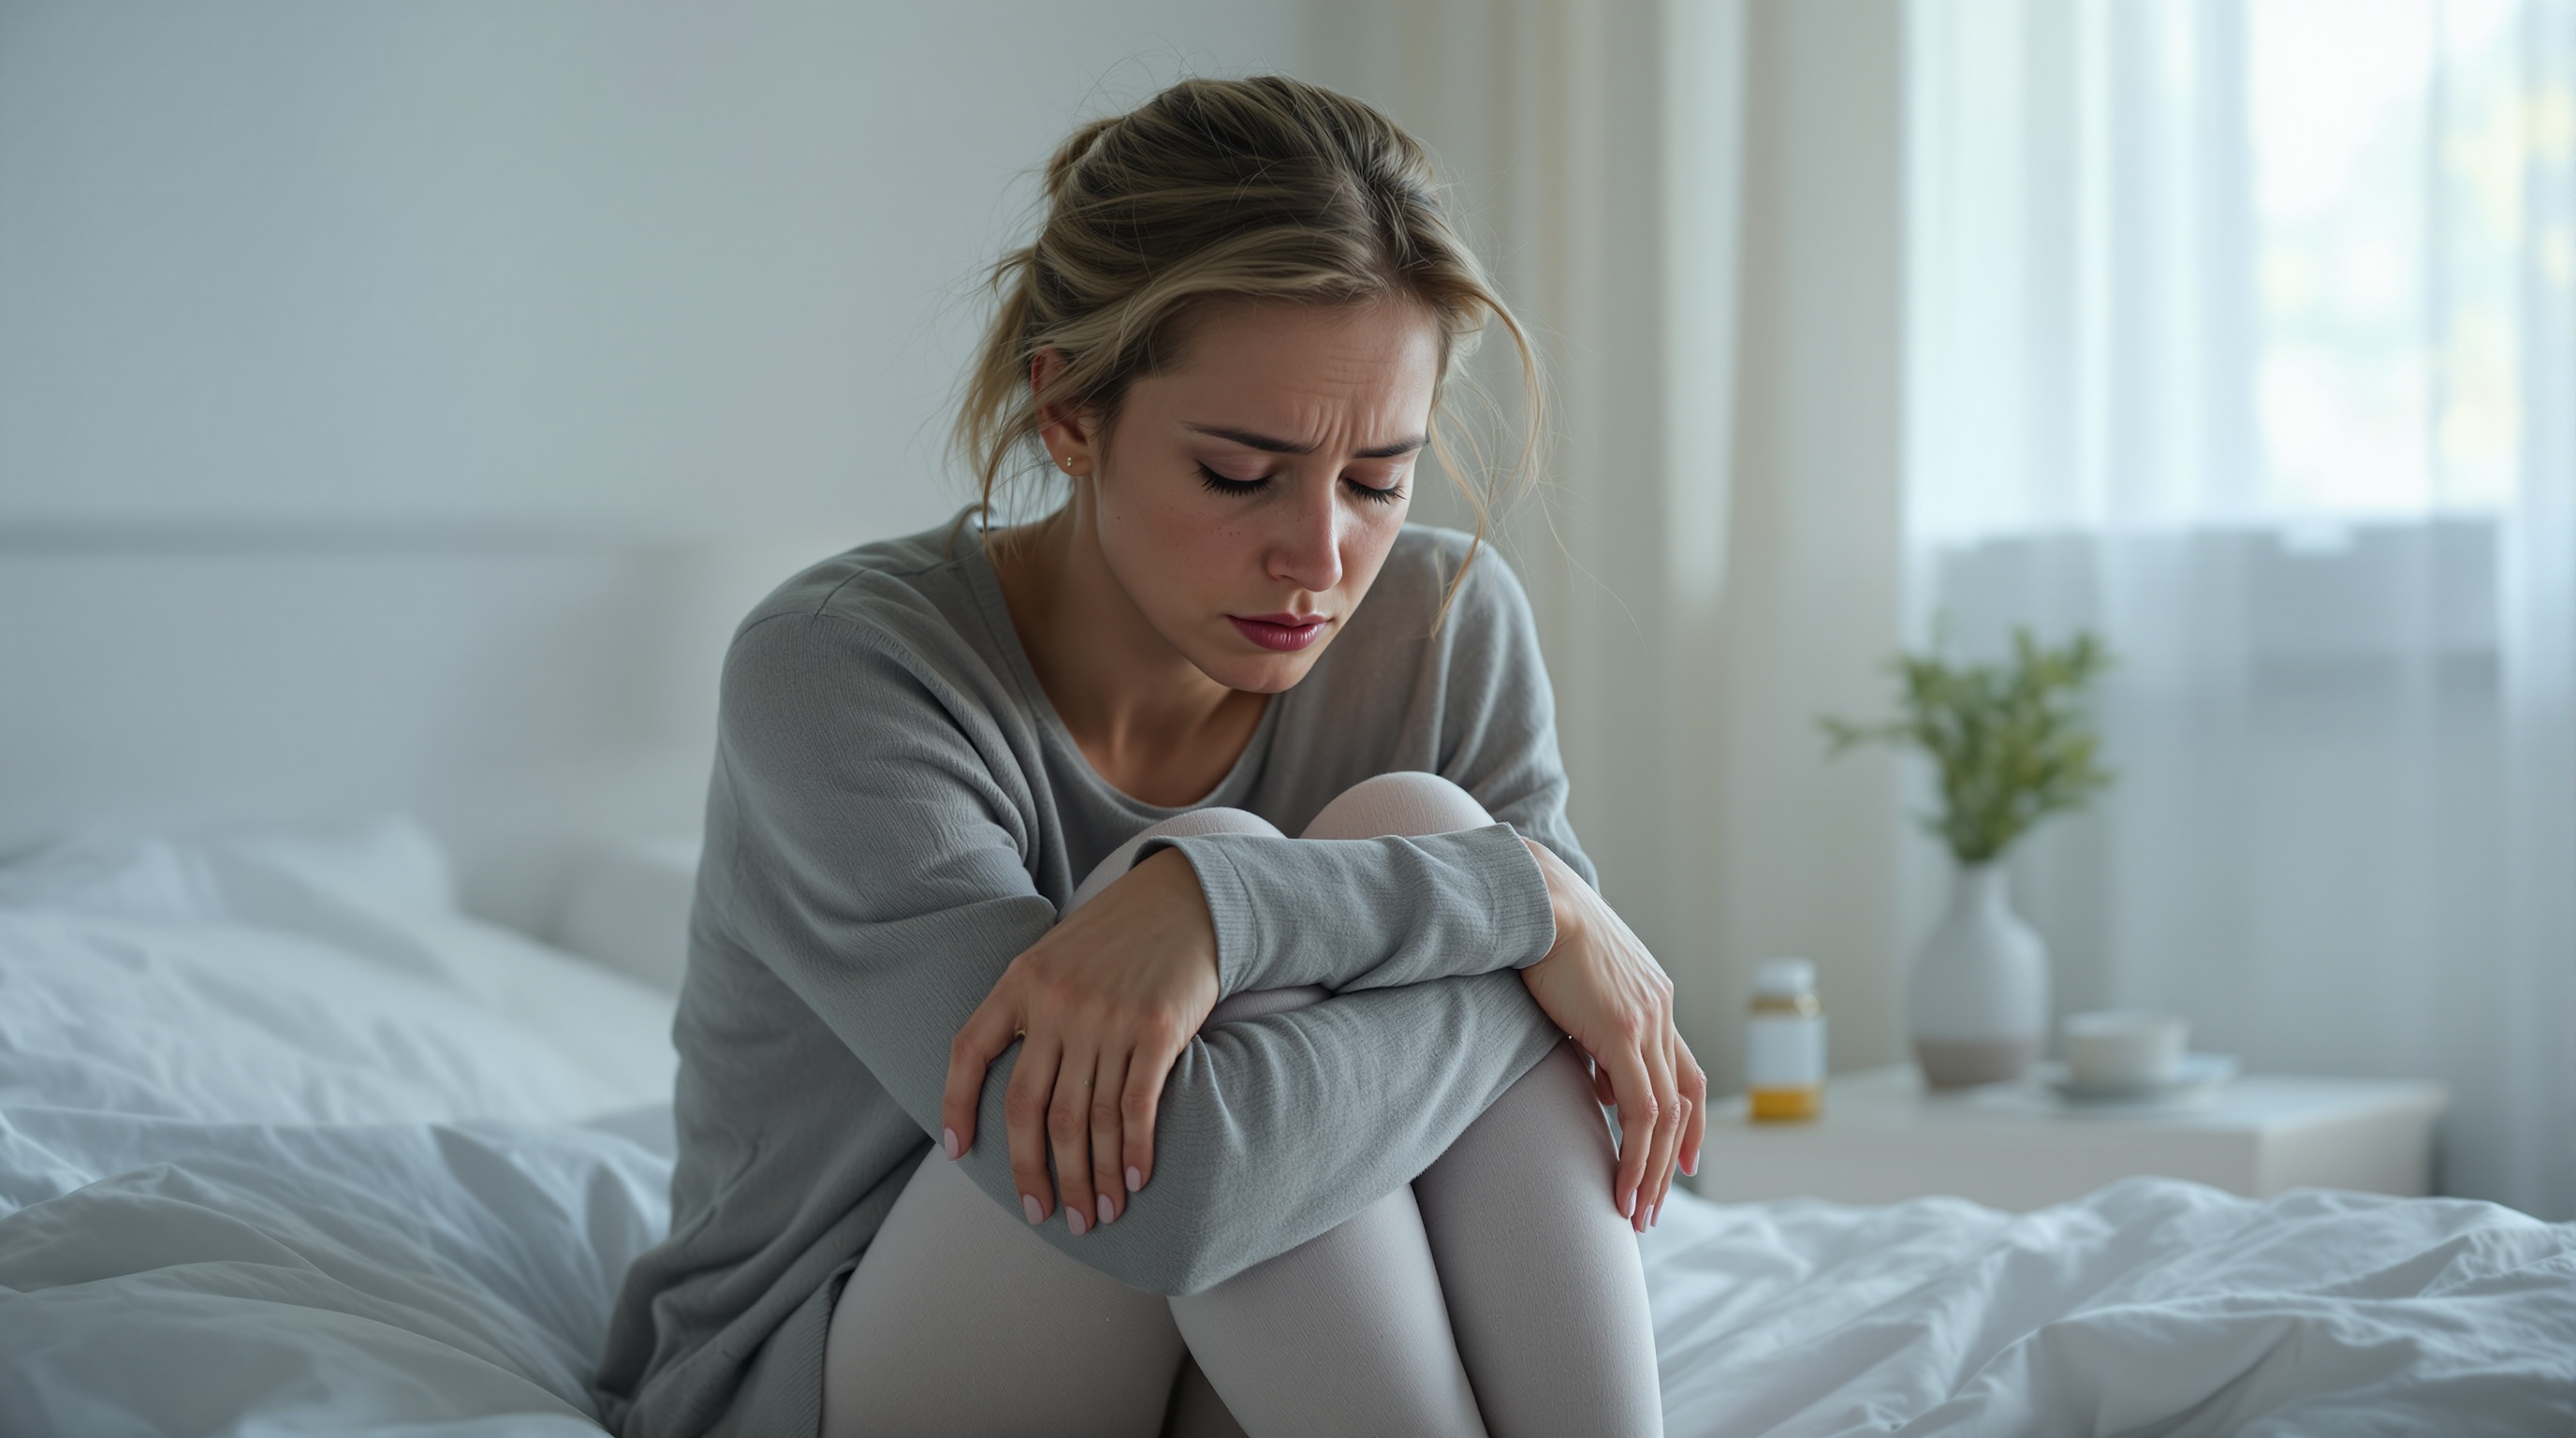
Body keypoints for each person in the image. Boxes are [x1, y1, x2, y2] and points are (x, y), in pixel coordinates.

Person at [592, 75, 1708, 1438]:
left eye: (1378, 480)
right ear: (1067, 411)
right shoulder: (838, 670)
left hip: (1270, 1359)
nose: (1321, 560)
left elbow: (1584, 1065)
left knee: (1410, 819)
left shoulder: (1445, 626)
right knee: (1270, 869)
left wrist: (1246, 922)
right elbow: (1168, 1201)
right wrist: (1489, 902)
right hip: (841, 1359)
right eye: (1241, 475)